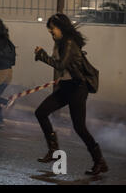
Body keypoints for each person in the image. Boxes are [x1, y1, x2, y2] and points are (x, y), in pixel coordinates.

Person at [34, 13, 108, 176]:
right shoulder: (60, 42)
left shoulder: (68, 42)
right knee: (41, 112)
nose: (51, 32)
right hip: (67, 86)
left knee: (79, 127)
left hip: (78, 88)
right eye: (49, 30)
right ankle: (54, 151)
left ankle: (99, 161)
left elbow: (60, 65)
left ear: (61, 27)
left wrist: (42, 55)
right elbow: (66, 67)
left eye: (52, 29)